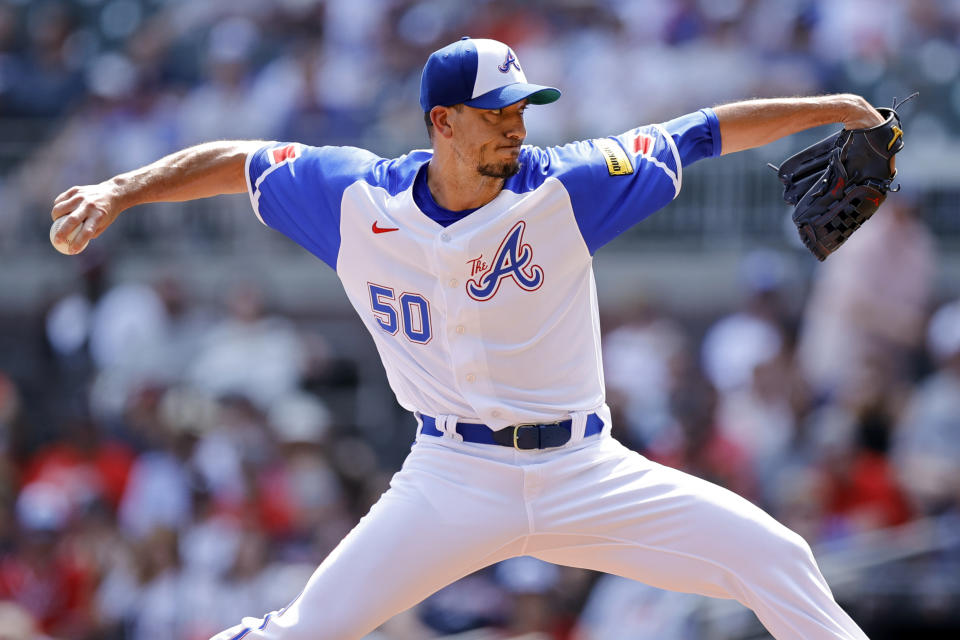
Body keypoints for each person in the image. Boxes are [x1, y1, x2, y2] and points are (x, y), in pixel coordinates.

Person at [50, 37, 882, 640]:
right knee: (302, 633)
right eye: (496, 113)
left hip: (584, 470)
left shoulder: (570, 186)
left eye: (522, 108)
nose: (516, 127)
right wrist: (121, 189)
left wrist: (835, 110)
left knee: (776, 557)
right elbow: (241, 160)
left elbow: (699, 132)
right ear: (442, 121)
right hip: (451, 476)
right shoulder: (352, 200)